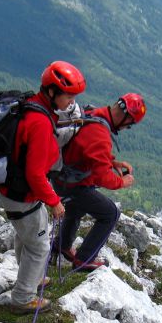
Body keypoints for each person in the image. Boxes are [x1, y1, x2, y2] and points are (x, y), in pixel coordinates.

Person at [0, 60, 86, 314]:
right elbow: (35, 173)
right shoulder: (39, 122)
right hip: (23, 193)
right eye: (68, 95)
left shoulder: (34, 107)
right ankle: (23, 298)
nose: (71, 101)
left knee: (26, 235)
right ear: (51, 92)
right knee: (39, 246)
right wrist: (54, 201)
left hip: (11, 189)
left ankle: (32, 279)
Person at [53, 93, 146, 270]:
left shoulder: (94, 113)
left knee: (76, 208)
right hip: (72, 184)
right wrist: (122, 182)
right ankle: (84, 259)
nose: (127, 128)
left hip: (61, 177)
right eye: (130, 125)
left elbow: (88, 151)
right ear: (126, 117)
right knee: (110, 214)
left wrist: (113, 162)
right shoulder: (100, 133)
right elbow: (102, 176)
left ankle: (61, 245)